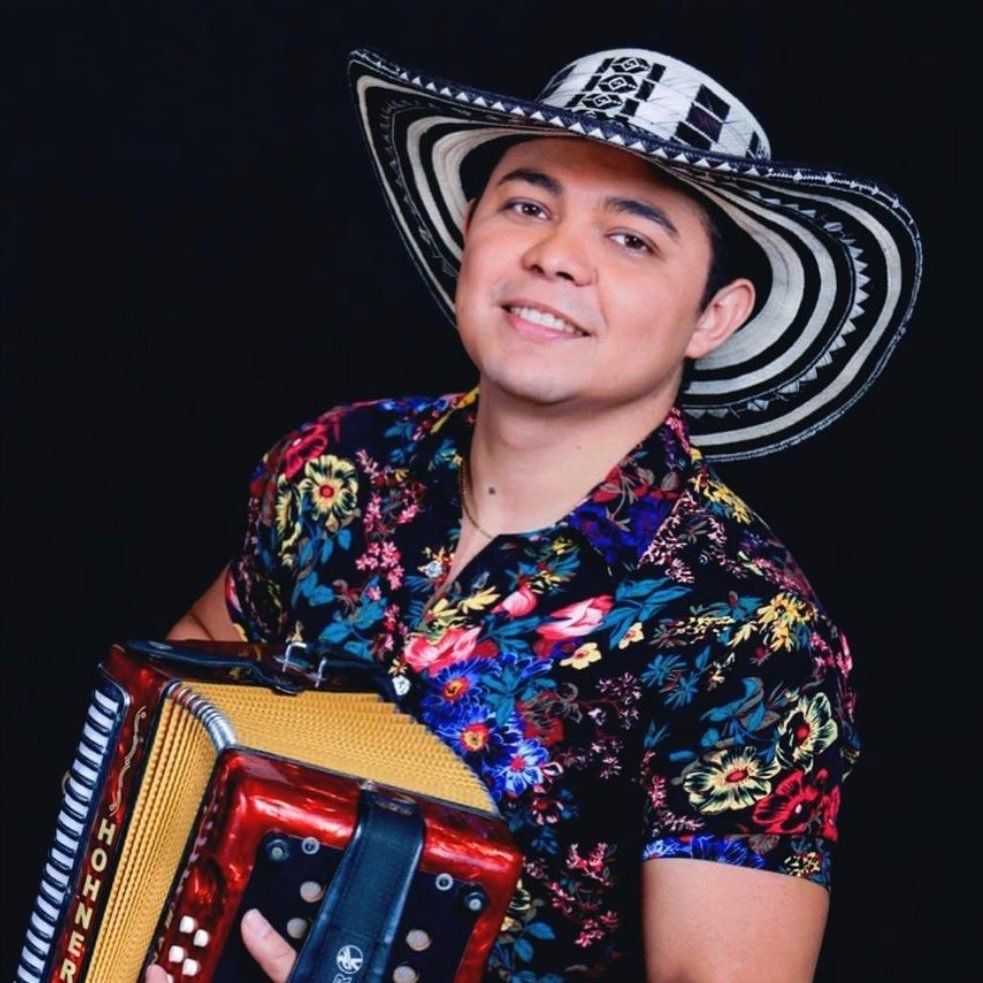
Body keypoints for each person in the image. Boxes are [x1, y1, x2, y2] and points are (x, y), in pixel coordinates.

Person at [148, 45, 921, 982]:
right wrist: (177, 901)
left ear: (713, 316)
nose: (555, 255)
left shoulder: (747, 631)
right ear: (472, 227)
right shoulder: (336, 463)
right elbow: (200, 654)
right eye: (527, 204)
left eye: (631, 237)